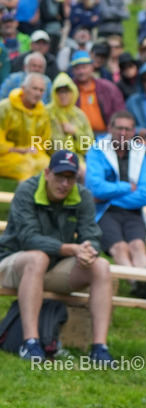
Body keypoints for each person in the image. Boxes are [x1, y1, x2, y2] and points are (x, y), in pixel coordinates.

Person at [0, 151, 115, 364]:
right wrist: (72, 249)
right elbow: (28, 239)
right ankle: (30, 343)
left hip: (52, 267)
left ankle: (100, 348)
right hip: (13, 263)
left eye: (70, 178)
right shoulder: (26, 190)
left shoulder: (82, 195)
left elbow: (92, 235)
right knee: (37, 258)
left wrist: (90, 251)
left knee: (101, 266)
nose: (64, 183)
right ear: (47, 173)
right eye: (59, 176)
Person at [84, 111, 146, 296]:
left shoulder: (139, 153)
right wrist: (127, 187)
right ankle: (138, 283)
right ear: (110, 129)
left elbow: (145, 195)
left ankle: (144, 282)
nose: (123, 133)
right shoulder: (97, 150)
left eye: (127, 129)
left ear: (133, 132)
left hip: (132, 211)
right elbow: (96, 188)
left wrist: (111, 193)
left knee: (138, 244)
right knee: (120, 247)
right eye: (119, 128)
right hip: (104, 211)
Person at [0, 73, 51, 181]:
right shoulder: (5, 108)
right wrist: (19, 150)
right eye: (35, 88)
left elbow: (43, 142)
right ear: (23, 88)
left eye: (41, 90)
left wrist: (34, 150)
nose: (38, 93)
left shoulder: (43, 113)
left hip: (31, 155)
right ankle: (23, 197)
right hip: (5, 155)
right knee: (26, 166)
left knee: (49, 166)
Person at [47, 73, 94, 162]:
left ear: (73, 92)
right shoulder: (47, 113)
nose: (63, 95)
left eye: (66, 91)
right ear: (54, 93)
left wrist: (75, 132)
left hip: (77, 159)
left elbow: (89, 145)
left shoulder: (79, 115)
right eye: (59, 91)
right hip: (51, 158)